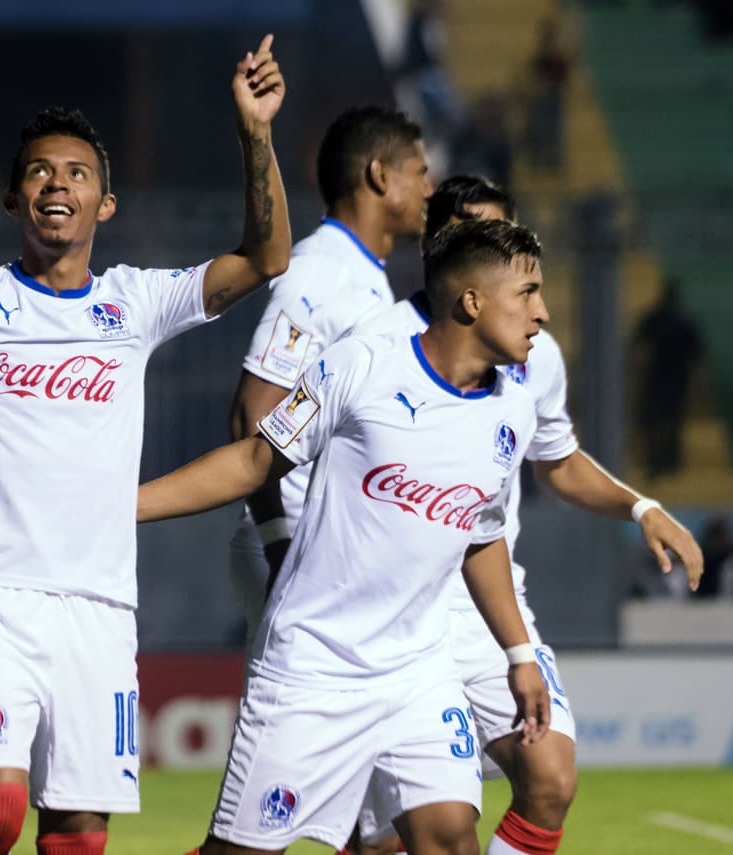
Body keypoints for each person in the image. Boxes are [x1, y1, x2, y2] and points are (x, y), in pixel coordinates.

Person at [0, 14, 291, 855]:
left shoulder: (135, 303)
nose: (56, 183)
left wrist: (255, 133)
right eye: (38, 171)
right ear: (14, 199)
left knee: (76, 836)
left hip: (101, 612)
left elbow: (265, 257)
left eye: (77, 172)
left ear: (103, 203)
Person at [140, 219, 554, 855]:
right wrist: (124, 506)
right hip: (313, 665)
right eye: (527, 293)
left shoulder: (514, 411)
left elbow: (481, 535)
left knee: (450, 837)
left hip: (418, 671)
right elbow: (254, 460)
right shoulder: (361, 364)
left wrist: (519, 655)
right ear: (471, 301)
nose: (542, 312)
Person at [349, 176, 703, 855]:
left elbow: (557, 460)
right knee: (399, 836)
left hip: (488, 606)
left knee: (551, 777)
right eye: (475, 234)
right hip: (396, 613)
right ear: (439, 247)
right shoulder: (377, 345)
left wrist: (640, 505)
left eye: (505, 236)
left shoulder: (533, 355)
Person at [228, 104, 431, 636]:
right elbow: (253, 411)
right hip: (296, 545)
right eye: (420, 172)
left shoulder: (363, 273)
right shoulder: (322, 271)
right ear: (380, 175)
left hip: (327, 549)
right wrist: (277, 542)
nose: (430, 189)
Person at [631, 277, 703, 480]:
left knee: (665, 421)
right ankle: (664, 462)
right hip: (666, 378)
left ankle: (666, 462)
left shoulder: (668, 320)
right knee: (664, 421)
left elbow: (636, 345)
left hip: (665, 378)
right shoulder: (671, 320)